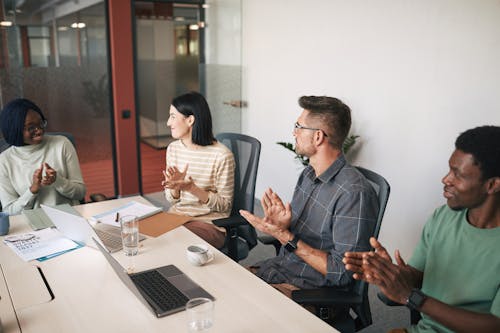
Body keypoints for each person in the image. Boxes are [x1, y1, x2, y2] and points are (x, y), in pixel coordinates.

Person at [343, 125, 500, 333]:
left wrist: (412, 297)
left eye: (458, 174)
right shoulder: (443, 217)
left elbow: (495, 325)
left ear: (492, 185)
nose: (446, 180)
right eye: (449, 169)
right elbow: (417, 275)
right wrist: (391, 275)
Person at [240, 96, 379, 302]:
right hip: (282, 270)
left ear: (318, 137)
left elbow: (342, 272)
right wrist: (282, 227)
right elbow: (296, 241)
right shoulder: (308, 174)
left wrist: (286, 236)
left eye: (299, 126)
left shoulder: (354, 193)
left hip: (309, 290)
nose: (294, 132)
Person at [162, 91, 235, 248]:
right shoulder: (173, 149)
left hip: (208, 224)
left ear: (190, 120)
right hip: (176, 218)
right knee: (143, 238)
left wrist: (192, 188)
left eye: (173, 116)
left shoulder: (221, 155)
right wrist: (175, 189)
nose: (168, 122)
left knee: (170, 245)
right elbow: (171, 199)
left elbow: (225, 205)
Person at [0, 98, 86, 215]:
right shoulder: (4, 161)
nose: (39, 131)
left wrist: (58, 181)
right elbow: (9, 211)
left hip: (69, 219)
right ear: (14, 129)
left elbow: (80, 193)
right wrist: (32, 191)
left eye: (41, 123)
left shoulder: (62, 144)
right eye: (31, 127)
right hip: (28, 226)